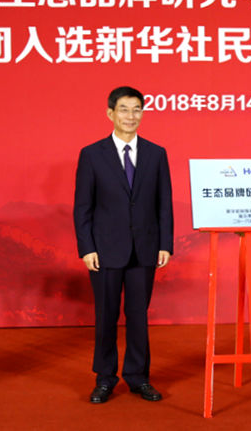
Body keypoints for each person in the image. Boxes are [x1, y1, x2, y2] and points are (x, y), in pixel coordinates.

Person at [73, 86, 173, 404]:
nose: (131, 116)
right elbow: (83, 206)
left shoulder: (156, 154)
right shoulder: (92, 154)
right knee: (106, 315)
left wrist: (165, 243)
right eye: (124, 109)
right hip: (104, 250)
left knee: (138, 316)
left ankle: (138, 377)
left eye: (137, 109)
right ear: (110, 113)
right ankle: (104, 379)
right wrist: (87, 247)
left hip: (145, 249)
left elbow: (164, 204)